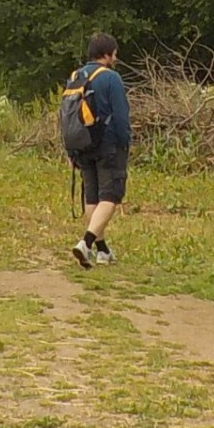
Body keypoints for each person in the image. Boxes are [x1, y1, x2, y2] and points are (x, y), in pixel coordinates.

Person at [66, 32, 132, 269]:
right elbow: (121, 116)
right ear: (107, 54)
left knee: (92, 197)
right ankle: (86, 243)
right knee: (110, 197)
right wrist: (125, 142)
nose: (115, 58)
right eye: (114, 53)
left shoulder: (75, 76)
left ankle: (102, 250)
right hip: (108, 145)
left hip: (82, 146)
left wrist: (70, 150)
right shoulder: (111, 78)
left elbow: (68, 116)